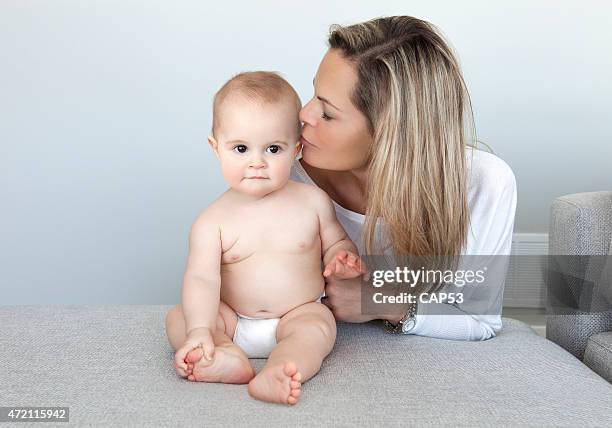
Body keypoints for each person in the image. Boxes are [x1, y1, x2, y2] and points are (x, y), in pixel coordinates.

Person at [291, 16, 517, 340]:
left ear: (389, 134)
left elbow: (479, 321)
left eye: (327, 112)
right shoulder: (287, 181)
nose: (304, 113)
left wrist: (379, 302)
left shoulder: (485, 184)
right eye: (313, 94)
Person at [164, 71, 366, 405]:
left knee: (318, 328)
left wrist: (342, 258)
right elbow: (201, 278)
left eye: (273, 148)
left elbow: (336, 243)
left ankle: (283, 368)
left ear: (296, 149)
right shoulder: (211, 221)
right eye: (241, 148)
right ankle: (224, 355)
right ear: (216, 148)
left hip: (296, 313)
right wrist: (201, 328)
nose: (256, 162)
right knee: (179, 318)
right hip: (233, 318)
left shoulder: (313, 202)